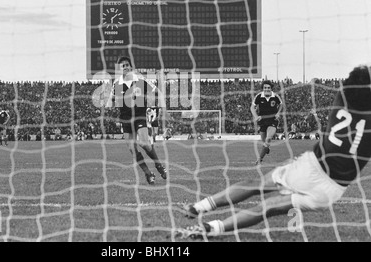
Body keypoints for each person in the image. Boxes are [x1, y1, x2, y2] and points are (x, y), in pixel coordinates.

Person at [174, 65, 371, 239]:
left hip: (312, 166)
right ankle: (213, 228)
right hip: (331, 189)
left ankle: (198, 208)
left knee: (255, 186)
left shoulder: (341, 100)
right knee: (268, 207)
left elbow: (357, 81)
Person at [105, 56, 167, 185]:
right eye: (122, 66)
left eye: (127, 65)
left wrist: (161, 108)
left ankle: (159, 166)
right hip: (125, 119)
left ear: (131, 67)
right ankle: (148, 174)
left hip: (139, 116)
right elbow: (109, 101)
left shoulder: (140, 80)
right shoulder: (116, 84)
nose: (125, 67)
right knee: (132, 149)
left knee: (144, 143)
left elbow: (158, 92)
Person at [250, 80, 283, 165]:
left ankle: (259, 159)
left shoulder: (275, 96)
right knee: (264, 141)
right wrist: (256, 117)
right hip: (262, 122)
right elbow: (252, 108)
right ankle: (266, 148)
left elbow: (282, 105)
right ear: (262, 88)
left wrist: (278, 113)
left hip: (272, 121)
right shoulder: (258, 96)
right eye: (265, 88)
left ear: (271, 88)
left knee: (268, 139)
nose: (266, 89)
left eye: (268, 88)